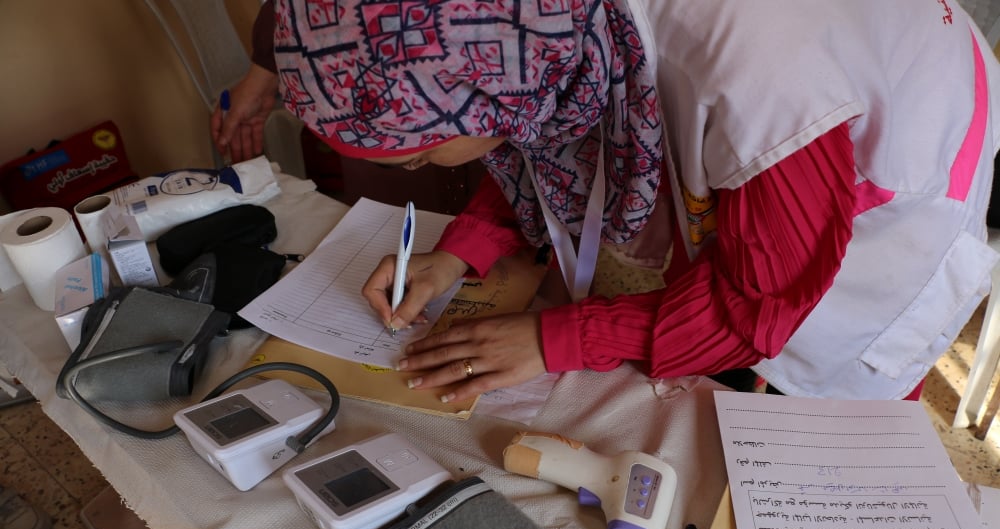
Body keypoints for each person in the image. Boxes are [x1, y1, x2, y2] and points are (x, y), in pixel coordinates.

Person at [215, 0, 1000, 405]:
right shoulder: (532, 29)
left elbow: (753, 306)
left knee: (827, 386)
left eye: (421, 151)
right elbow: (546, 127)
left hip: (903, 169)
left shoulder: (762, 84)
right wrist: (459, 250)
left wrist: (560, 341)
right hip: (801, 99)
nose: (424, 164)